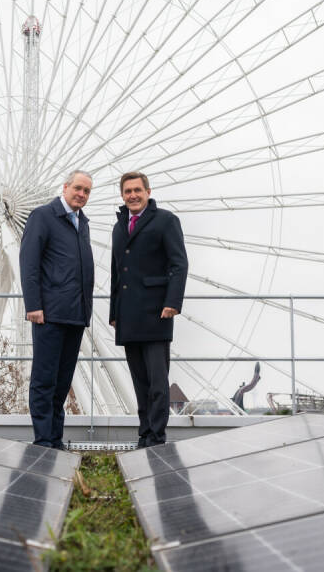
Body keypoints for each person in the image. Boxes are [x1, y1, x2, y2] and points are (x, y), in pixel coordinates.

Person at [109, 172, 188, 448]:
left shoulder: (166, 221)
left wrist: (172, 302)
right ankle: (144, 433)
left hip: (156, 312)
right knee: (139, 381)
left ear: (148, 191)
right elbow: (116, 273)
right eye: (127, 191)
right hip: (128, 315)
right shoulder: (119, 227)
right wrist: (114, 313)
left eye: (137, 190)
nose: (132, 195)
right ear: (122, 195)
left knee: (157, 382)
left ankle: (156, 436)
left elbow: (179, 264)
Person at [19, 170, 94, 449]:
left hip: (75, 315)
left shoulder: (82, 223)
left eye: (87, 191)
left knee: (62, 382)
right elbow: (29, 264)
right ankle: (43, 440)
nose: (82, 194)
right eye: (78, 188)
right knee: (44, 378)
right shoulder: (42, 216)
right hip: (49, 313)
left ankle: (55, 437)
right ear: (65, 187)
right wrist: (34, 305)